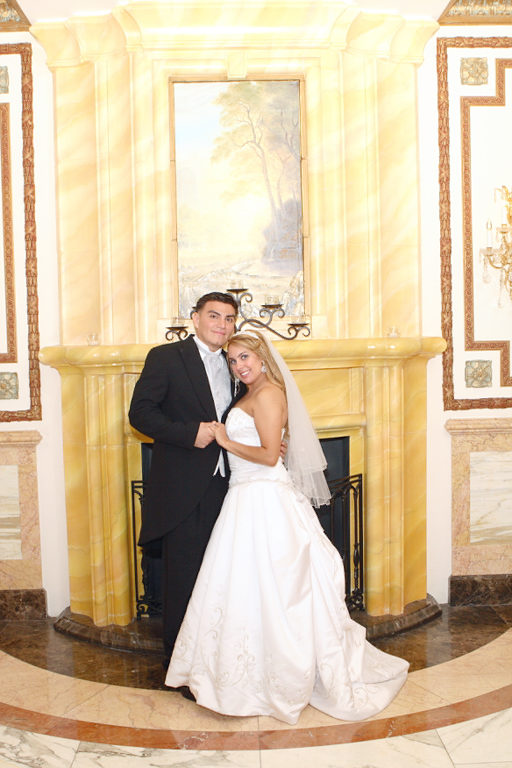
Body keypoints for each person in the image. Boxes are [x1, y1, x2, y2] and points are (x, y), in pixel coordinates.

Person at [165, 330, 409, 724]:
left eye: (245, 357)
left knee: (274, 587)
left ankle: (277, 678)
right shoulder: (250, 393)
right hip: (245, 496)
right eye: (232, 360)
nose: (239, 366)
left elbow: (266, 456)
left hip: (263, 497)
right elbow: (270, 444)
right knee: (246, 587)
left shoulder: (268, 393)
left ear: (262, 357)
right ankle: (246, 676)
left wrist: (226, 440)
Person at [128, 292, 241, 669]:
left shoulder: (237, 361)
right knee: (185, 577)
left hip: (232, 485)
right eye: (214, 316)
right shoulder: (165, 357)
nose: (222, 324)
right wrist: (189, 433)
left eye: (229, 318)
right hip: (183, 489)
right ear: (195, 318)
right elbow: (140, 414)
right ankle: (181, 665)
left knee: (223, 575)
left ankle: (218, 657)